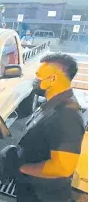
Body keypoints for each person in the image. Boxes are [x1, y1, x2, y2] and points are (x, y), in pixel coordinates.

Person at [16, 54, 85, 202]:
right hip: (32, 189)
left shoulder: (67, 115)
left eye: (39, 75)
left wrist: (22, 168)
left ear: (52, 79)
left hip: (44, 195)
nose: (35, 79)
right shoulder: (52, 103)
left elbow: (63, 167)